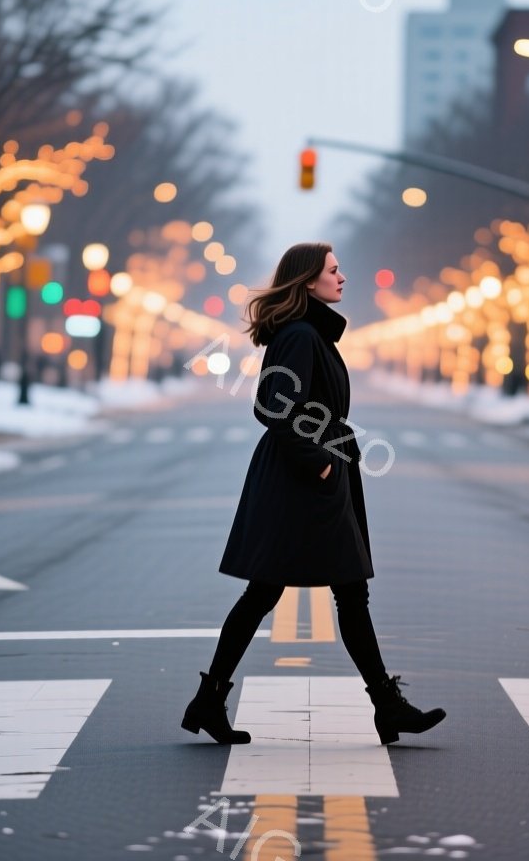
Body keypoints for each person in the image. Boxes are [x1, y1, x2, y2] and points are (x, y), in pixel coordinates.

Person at [183, 242, 446, 747]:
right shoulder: (302, 335)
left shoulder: (309, 333)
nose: (342, 277)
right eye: (333, 270)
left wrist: (326, 455)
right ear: (308, 281)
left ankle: (213, 700)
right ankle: (384, 705)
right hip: (301, 481)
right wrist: (320, 460)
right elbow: (272, 404)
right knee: (312, 591)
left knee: (316, 591)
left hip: (307, 477)